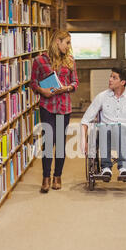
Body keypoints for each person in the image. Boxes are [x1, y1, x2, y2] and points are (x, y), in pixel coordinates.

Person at [81, 67, 126, 181]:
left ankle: (123, 167)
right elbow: (85, 120)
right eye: (110, 76)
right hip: (105, 135)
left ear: (122, 82)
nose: (110, 79)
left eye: (114, 77)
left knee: (119, 127)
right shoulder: (101, 97)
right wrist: (83, 140)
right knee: (105, 127)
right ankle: (106, 168)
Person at [30, 30, 79, 193]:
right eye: (67, 42)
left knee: (60, 143)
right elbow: (33, 82)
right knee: (48, 143)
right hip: (47, 106)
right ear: (57, 41)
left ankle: (58, 176)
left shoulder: (70, 60)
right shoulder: (39, 60)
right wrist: (42, 91)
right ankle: (46, 177)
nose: (69, 46)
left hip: (64, 107)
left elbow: (75, 82)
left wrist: (67, 87)